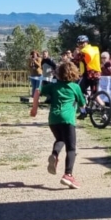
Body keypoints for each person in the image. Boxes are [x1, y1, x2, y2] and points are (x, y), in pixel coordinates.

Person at [30, 61, 86, 189]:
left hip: (53, 119)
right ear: (73, 73)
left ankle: (54, 155)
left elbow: (38, 91)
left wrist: (34, 109)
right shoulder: (75, 87)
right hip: (68, 119)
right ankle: (68, 175)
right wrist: (82, 107)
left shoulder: (53, 86)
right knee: (71, 148)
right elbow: (83, 104)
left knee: (60, 139)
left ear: (59, 74)